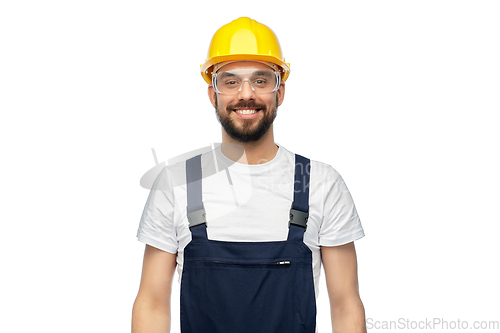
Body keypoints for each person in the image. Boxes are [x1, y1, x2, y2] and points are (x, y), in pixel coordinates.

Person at [132, 17, 367, 333]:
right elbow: (152, 303)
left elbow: (345, 305)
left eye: (261, 80)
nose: (246, 94)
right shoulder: (177, 184)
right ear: (213, 95)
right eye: (230, 81)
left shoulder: (321, 184)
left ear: (279, 92)